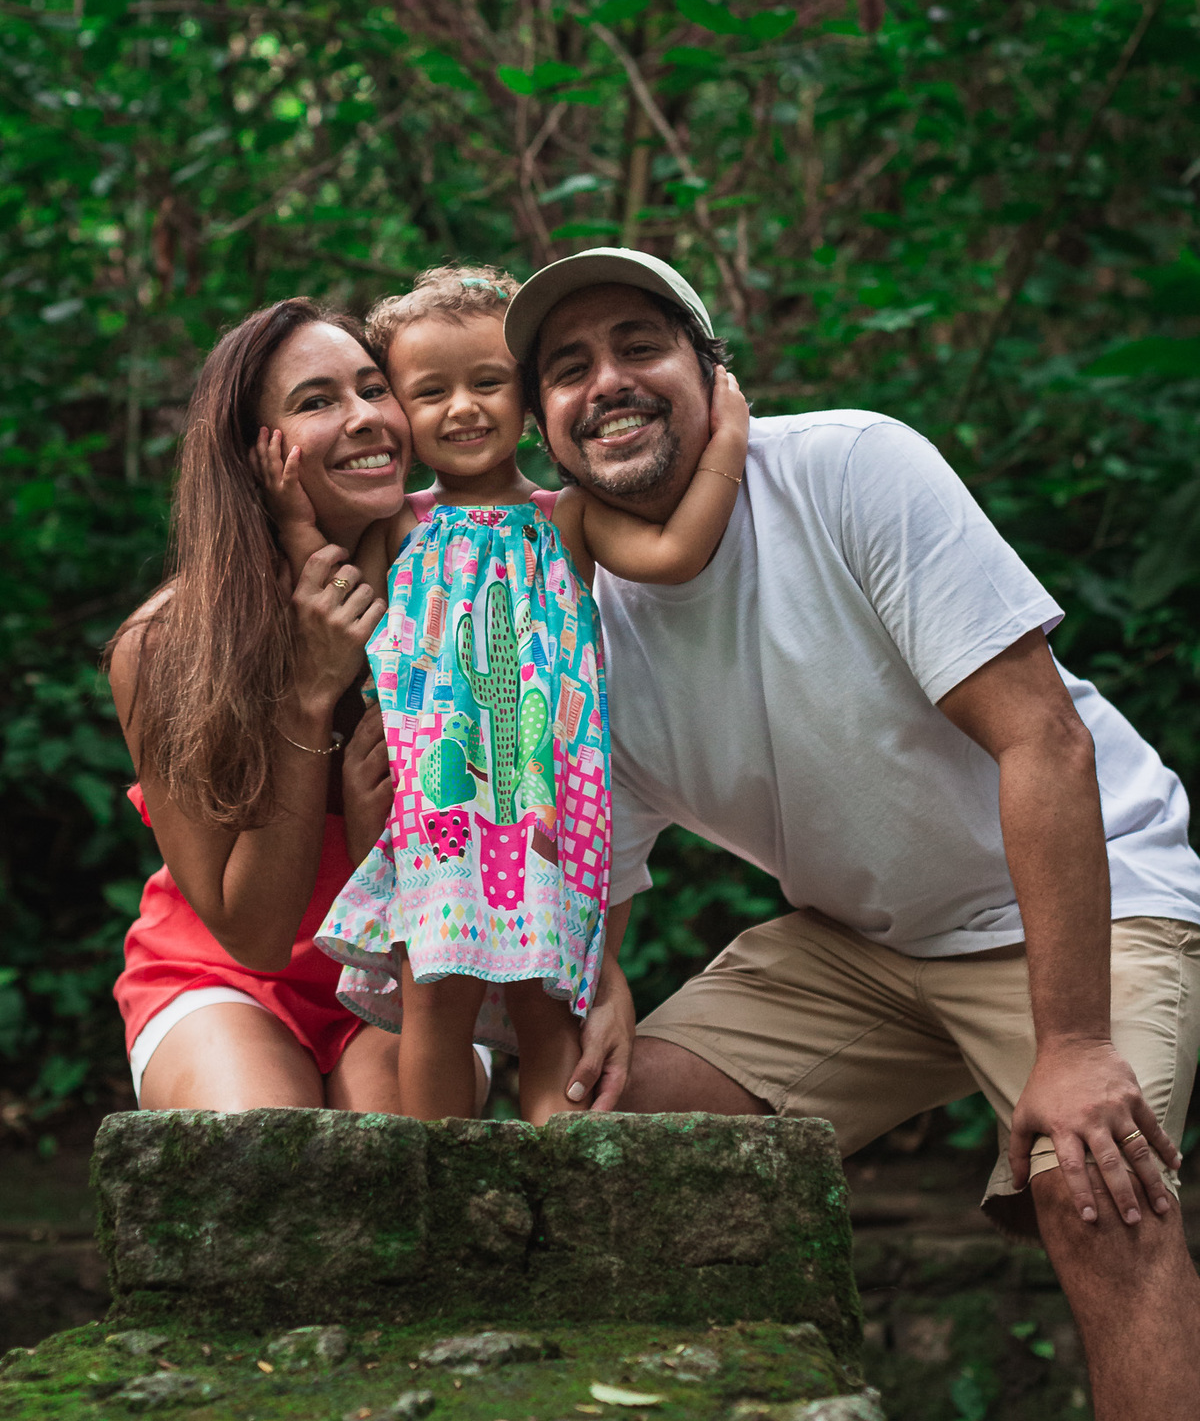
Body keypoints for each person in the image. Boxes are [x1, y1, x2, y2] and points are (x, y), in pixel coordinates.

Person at [505, 247, 1200, 1421]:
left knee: (1095, 1187)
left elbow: (1045, 743)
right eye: (568, 369)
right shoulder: (574, 624)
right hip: (864, 945)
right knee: (609, 1141)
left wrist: (1075, 1042)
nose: (607, 381)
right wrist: (594, 982)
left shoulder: (848, 470)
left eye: (639, 346)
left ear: (712, 372)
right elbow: (589, 878)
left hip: (1094, 898)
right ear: (542, 429)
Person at [259, 265, 749, 1123]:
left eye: (487, 383)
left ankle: (555, 1181)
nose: (462, 408)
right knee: (433, 1001)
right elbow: (332, 595)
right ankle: (441, 1178)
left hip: (544, 808)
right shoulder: (400, 525)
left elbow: (673, 553)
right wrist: (294, 513)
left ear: (526, 398)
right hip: (436, 811)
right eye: (430, 392)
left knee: (547, 1008)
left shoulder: (569, 517)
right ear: (401, 411)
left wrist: (729, 442)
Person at [107, 297, 489, 1113]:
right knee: (261, 1138)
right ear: (252, 454)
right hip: (224, 976)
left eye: (374, 389)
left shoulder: (467, 590)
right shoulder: (168, 644)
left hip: (415, 965)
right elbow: (254, 933)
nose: (366, 417)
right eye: (317, 401)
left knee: (391, 1156)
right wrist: (309, 696)